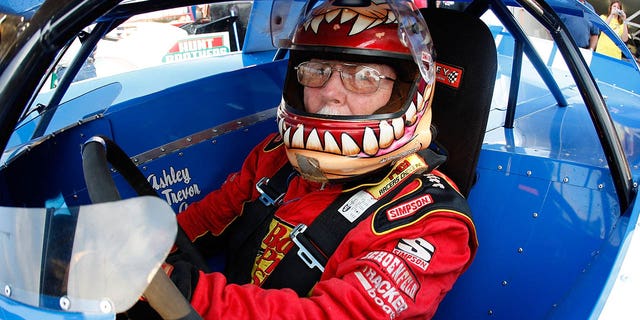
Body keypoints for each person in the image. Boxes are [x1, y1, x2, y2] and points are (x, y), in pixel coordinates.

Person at [131, 0, 478, 319]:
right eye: (316, 71)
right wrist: (137, 248)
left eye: (364, 78)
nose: (330, 92)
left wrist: (179, 290)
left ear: (404, 91)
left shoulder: (433, 220)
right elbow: (205, 219)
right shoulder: (276, 157)